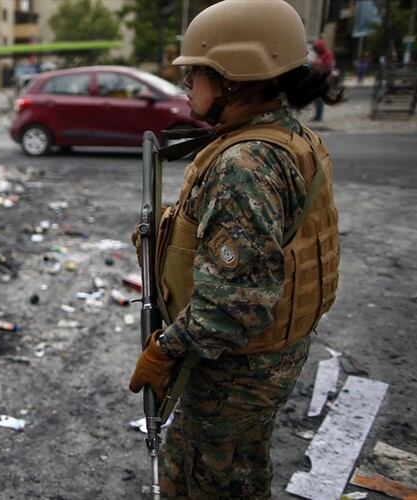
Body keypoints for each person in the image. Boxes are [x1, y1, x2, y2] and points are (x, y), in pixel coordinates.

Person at [127, 0, 342, 498]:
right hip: (269, 360)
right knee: (241, 473)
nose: (185, 86)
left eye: (195, 74)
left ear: (232, 80)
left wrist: (164, 349)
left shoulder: (245, 162)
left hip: (235, 371)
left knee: (200, 480)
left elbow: (232, 307)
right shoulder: (290, 136)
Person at [311, 37, 335, 121]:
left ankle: (319, 116)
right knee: (316, 98)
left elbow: (326, 68)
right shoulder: (320, 55)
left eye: (317, 48)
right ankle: (317, 115)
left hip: (324, 80)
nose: (316, 50)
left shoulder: (328, 54)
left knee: (319, 98)